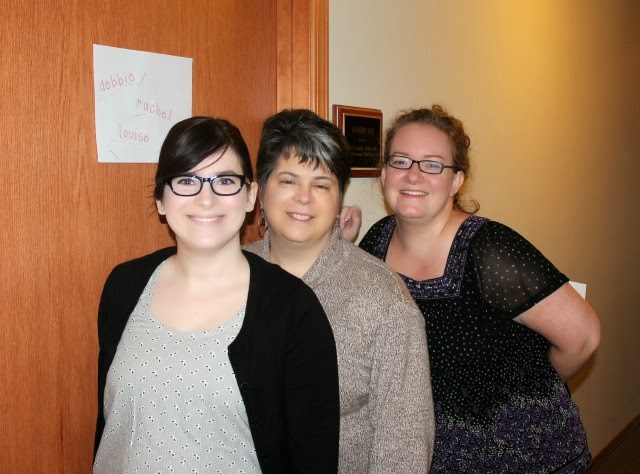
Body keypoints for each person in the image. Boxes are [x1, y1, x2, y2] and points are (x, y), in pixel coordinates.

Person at [354, 105, 601, 473]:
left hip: (523, 456)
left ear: (456, 181)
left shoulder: (489, 249)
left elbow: (583, 338)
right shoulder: (376, 242)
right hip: (433, 454)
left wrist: (526, 398)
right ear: (385, 172)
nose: (413, 175)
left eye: (433, 164)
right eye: (401, 161)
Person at [93, 116, 340, 474]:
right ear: (161, 199)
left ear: (250, 196)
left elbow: (313, 458)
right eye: (186, 181)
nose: (206, 199)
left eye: (225, 181)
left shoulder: (293, 308)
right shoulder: (125, 285)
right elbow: (110, 426)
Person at [244, 109, 435, 473]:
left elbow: (404, 450)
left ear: (339, 201)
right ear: (260, 192)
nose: (304, 197)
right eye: (288, 181)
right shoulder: (228, 277)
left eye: (321, 185)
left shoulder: (382, 299)